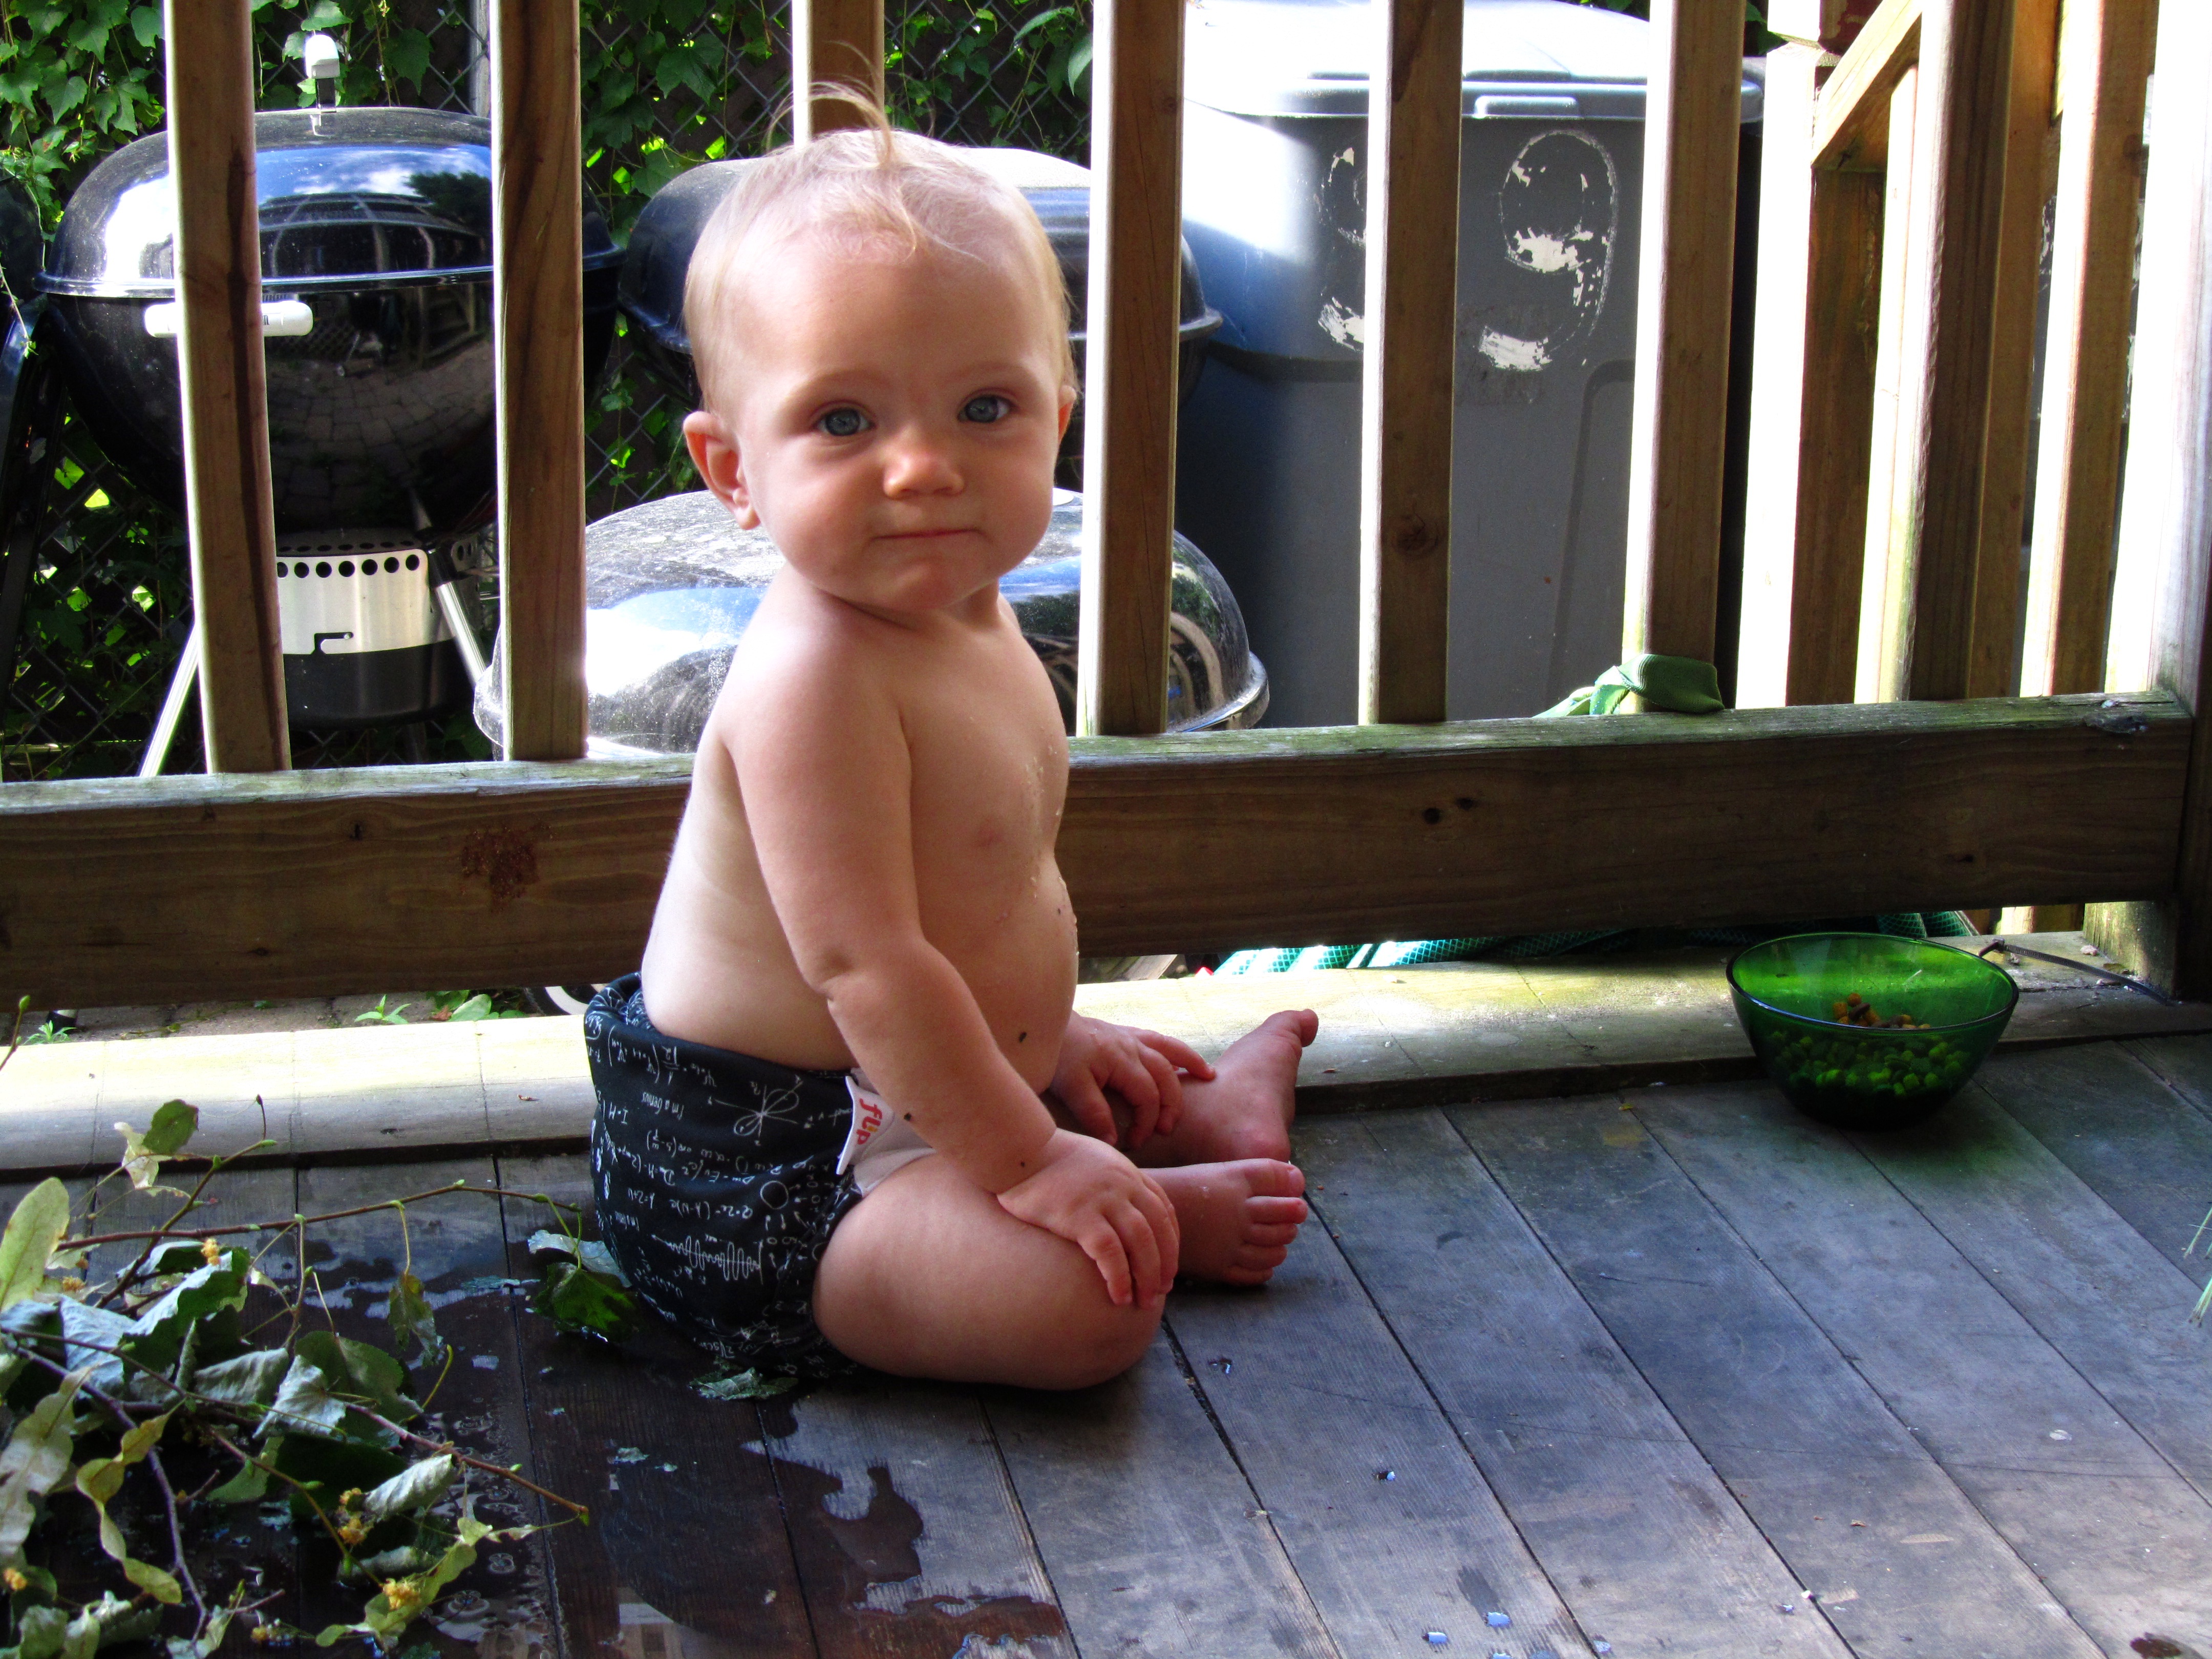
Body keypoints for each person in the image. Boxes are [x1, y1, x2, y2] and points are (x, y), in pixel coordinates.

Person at [583, 108, 1317, 1390]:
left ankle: (1190, 1121)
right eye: (844, 420)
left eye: (985, 407)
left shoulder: (973, 617)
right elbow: (866, 970)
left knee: (1098, 1097)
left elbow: (975, 894)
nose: (924, 467)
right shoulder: (815, 681)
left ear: (1057, 420)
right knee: (1087, 1313)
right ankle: (1153, 1206)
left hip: (932, 1088)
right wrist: (1030, 1160)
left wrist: (1054, 1036)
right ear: (733, 469)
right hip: (775, 1170)